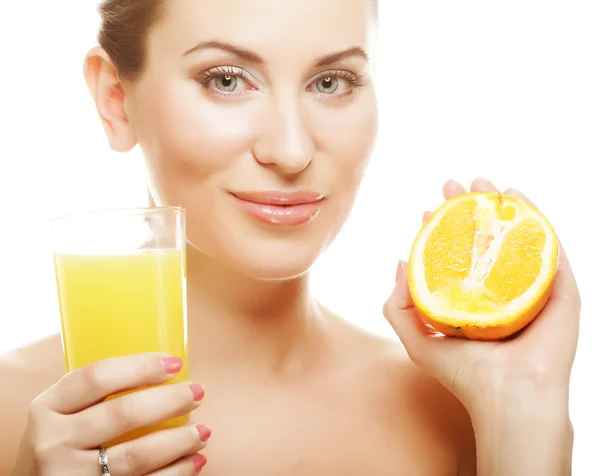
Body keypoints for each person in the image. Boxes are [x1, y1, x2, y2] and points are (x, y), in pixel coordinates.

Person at [0, 0, 580, 474]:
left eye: (331, 81)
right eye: (226, 80)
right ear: (115, 101)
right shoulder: (18, 417)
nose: (291, 150)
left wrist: (524, 418)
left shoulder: (458, 417)